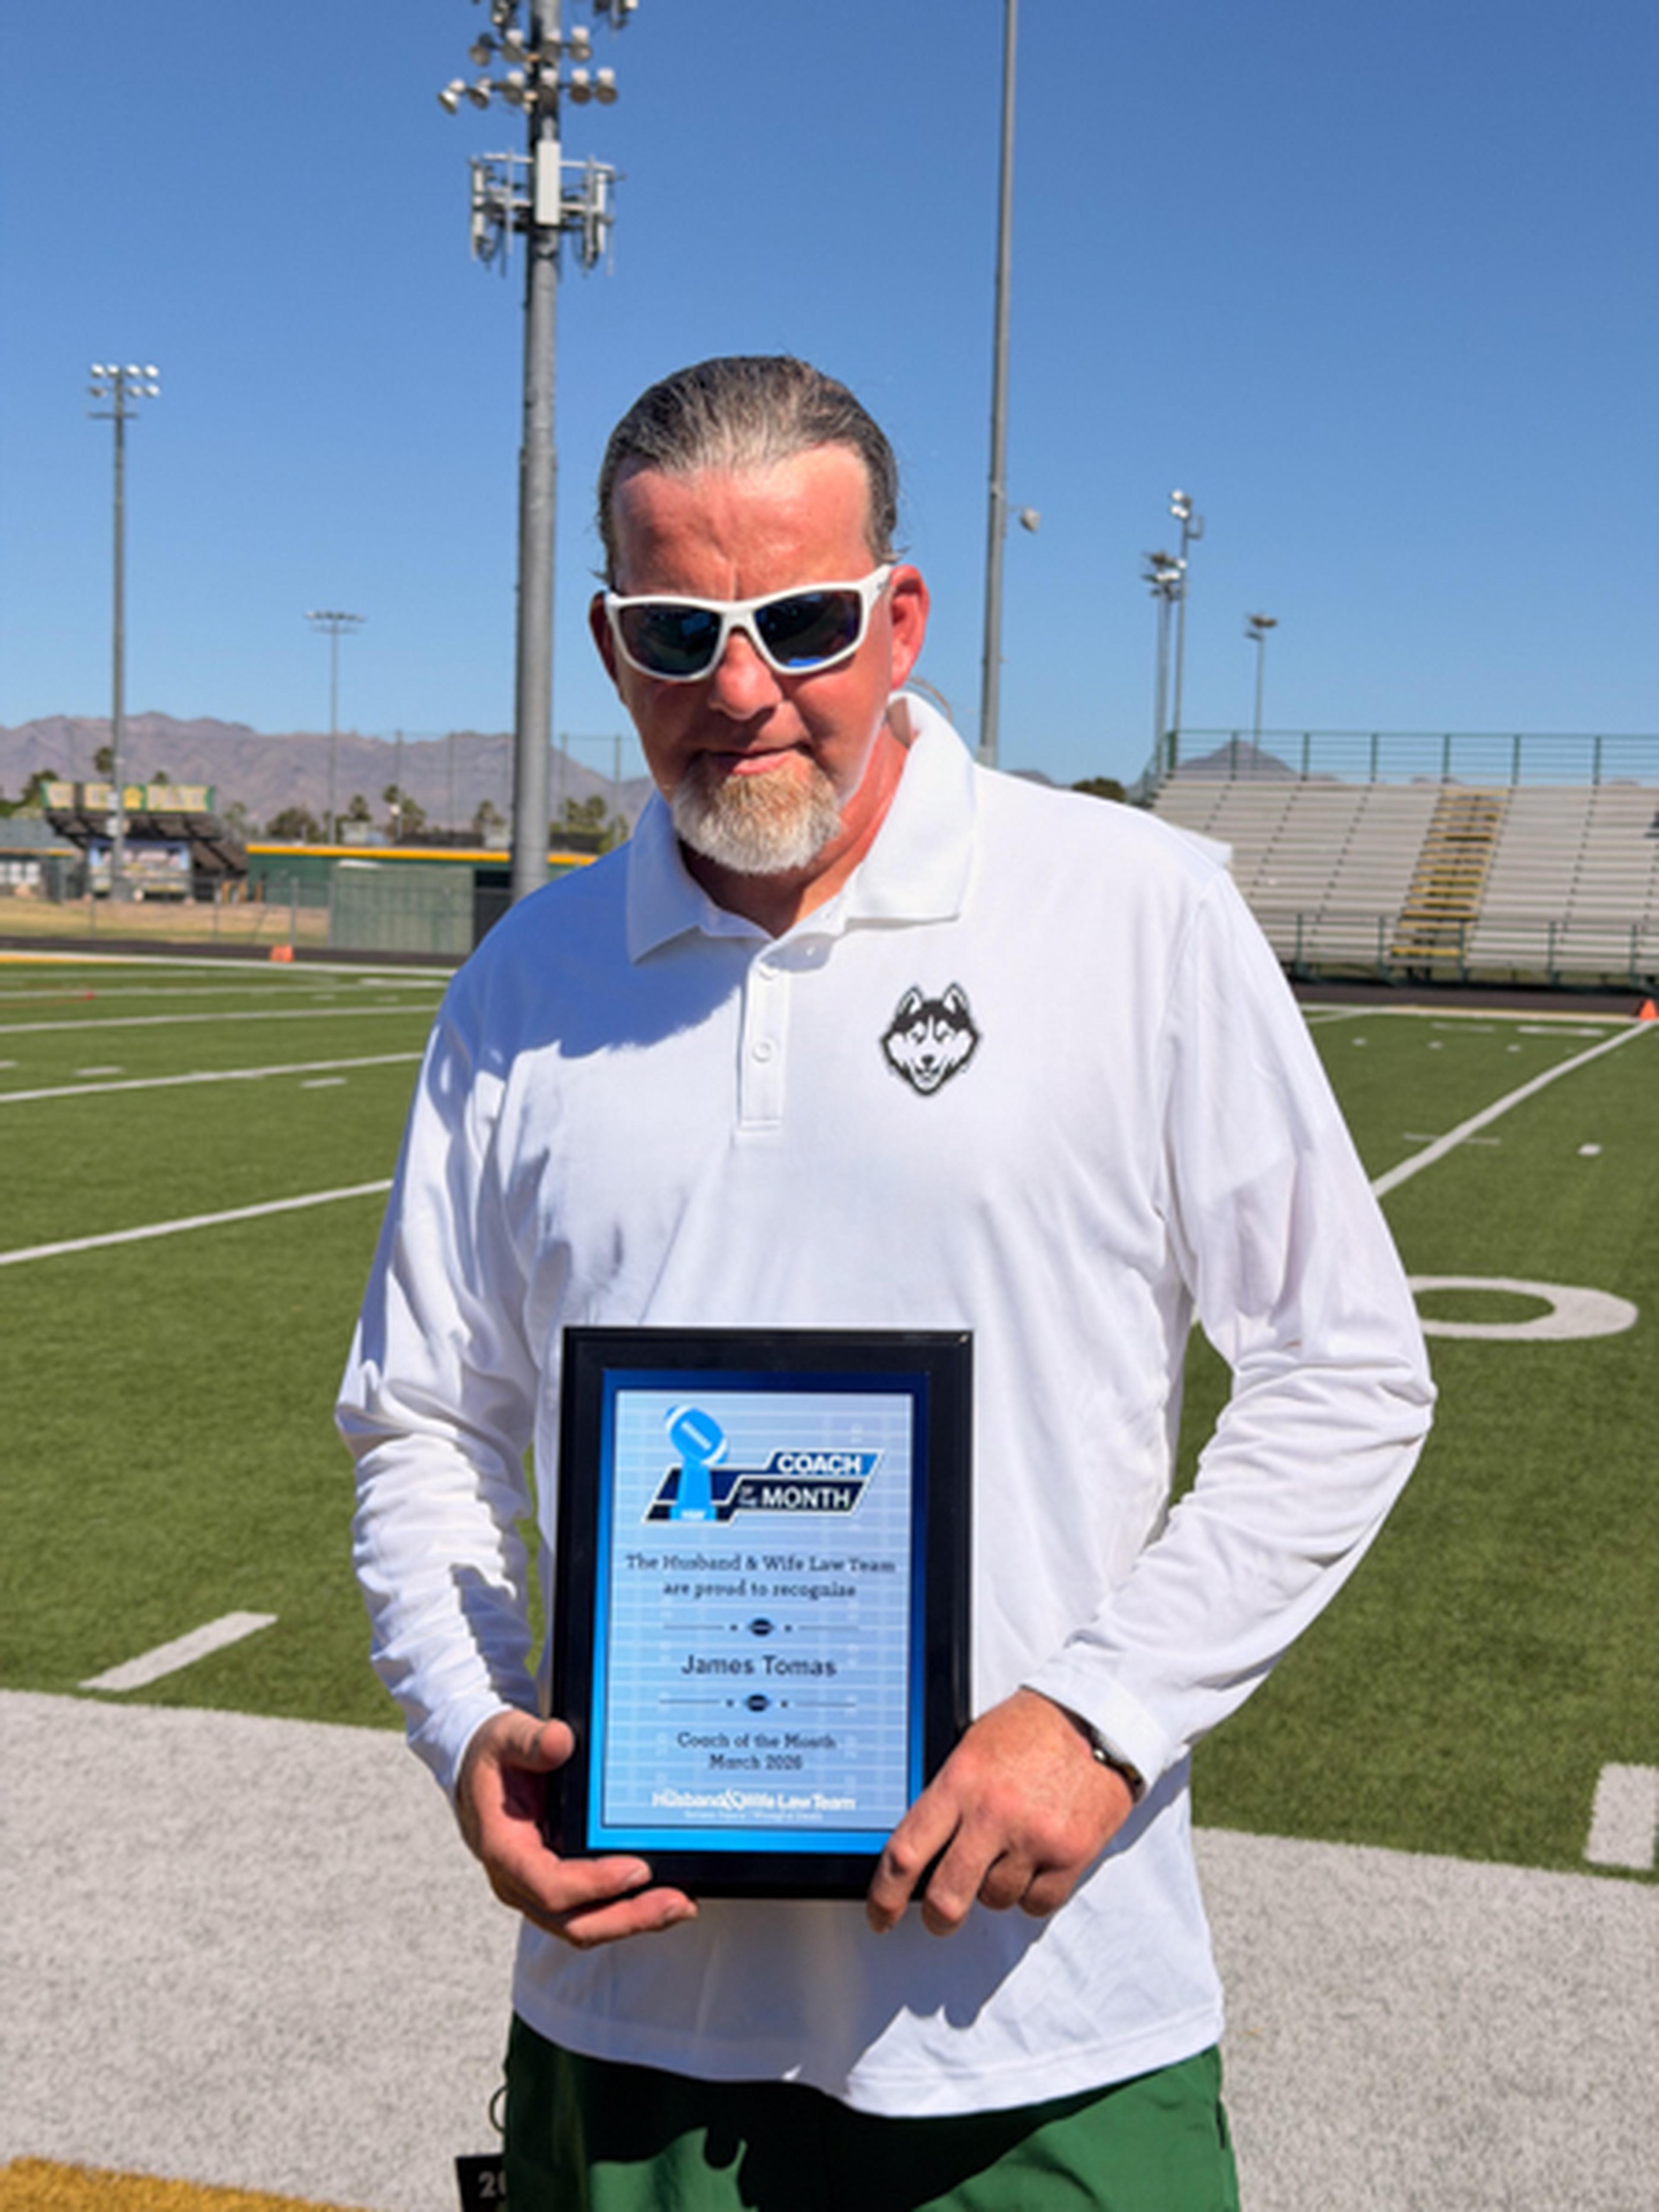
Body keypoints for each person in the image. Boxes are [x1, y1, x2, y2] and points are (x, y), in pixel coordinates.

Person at [340, 354, 1433, 2210]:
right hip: (633, 2020)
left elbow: (1346, 1369)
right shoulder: (526, 982)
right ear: (612, 644)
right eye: (680, 630)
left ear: (900, 616)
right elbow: (423, 1419)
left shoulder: (1136, 910)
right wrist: (471, 1720)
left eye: (805, 619)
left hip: (1044, 2027)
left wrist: (1098, 1716)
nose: (741, 687)